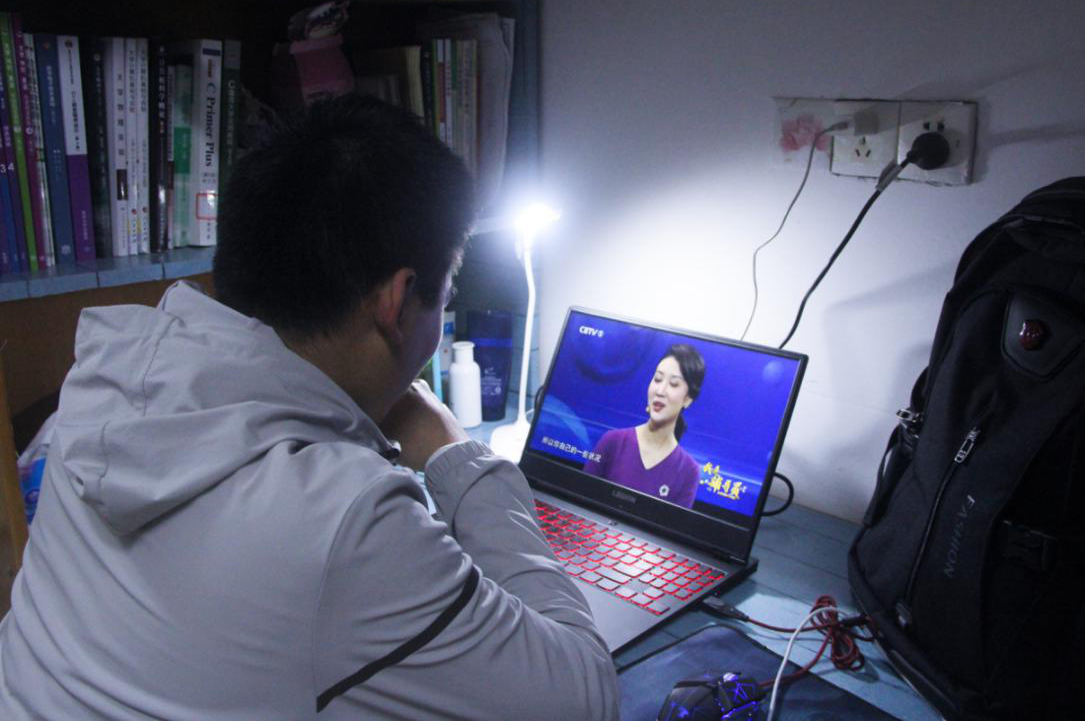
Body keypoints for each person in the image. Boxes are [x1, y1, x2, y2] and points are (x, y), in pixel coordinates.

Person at [0, 96, 619, 720]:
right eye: (447, 292)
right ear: (398, 301)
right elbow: (583, 698)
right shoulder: (346, 522)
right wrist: (458, 457)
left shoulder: (103, 380)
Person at [584, 344, 705, 509]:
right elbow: (580, 499)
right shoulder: (612, 441)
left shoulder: (689, 471)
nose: (660, 391)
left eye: (673, 384)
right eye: (657, 379)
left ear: (688, 398)